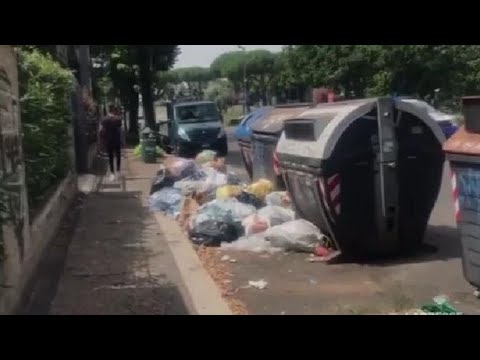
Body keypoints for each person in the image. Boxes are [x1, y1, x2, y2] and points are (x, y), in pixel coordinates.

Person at [100, 105, 123, 181]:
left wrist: (103, 141)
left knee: (110, 157)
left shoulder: (104, 120)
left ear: (108, 111)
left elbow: (101, 131)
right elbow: (120, 130)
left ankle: (112, 173)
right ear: (114, 111)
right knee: (118, 155)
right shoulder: (118, 119)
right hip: (117, 140)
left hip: (108, 141)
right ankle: (118, 171)